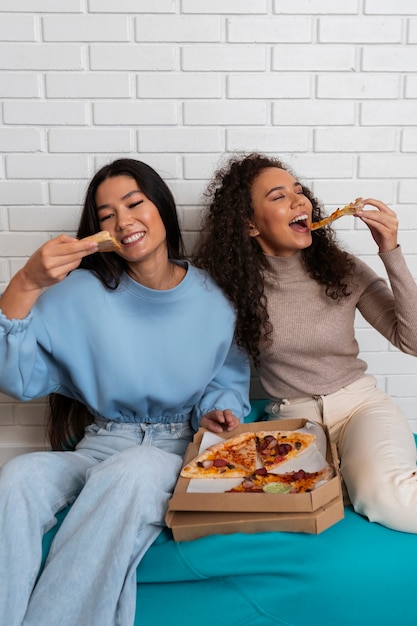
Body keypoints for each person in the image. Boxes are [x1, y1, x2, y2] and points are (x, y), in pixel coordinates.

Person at [0, 158, 250, 626]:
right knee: (19, 476)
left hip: (174, 449)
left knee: (132, 473)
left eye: (134, 203)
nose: (123, 221)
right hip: (101, 442)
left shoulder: (215, 297)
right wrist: (26, 283)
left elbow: (226, 380)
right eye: (107, 214)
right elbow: (17, 378)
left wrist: (218, 411)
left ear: (162, 208)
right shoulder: (76, 292)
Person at [193, 151, 417, 534]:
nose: (300, 201)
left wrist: (390, 252)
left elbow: (411, 341)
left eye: (299, 191)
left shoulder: (341, 268)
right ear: (249, 224)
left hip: (359, 406)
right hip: (292, 420)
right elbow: (211, 366)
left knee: (386, 497)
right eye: (278, 196)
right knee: (287, 500)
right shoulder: (232, 287)